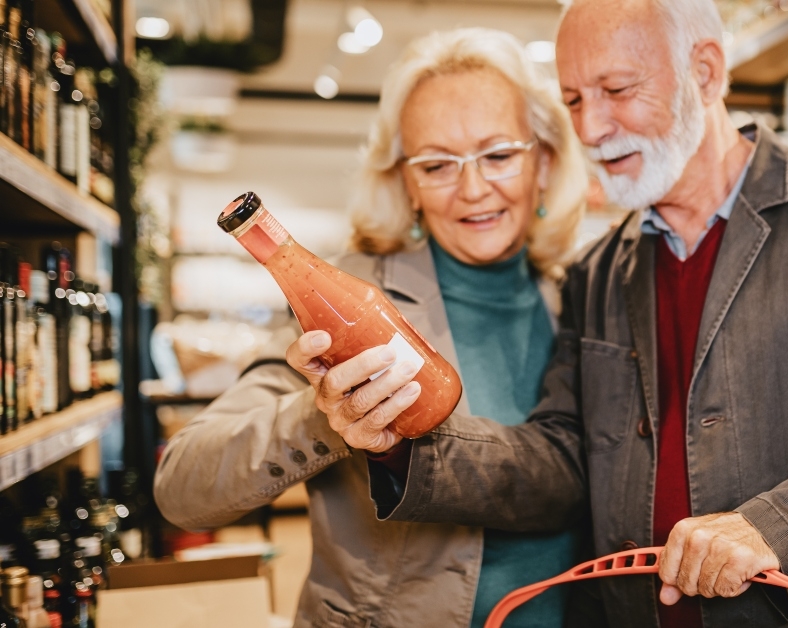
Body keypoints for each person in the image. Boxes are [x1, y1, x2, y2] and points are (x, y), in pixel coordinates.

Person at [291, 1, 788, 626]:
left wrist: (778, 528)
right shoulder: (600, 271)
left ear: (706, 71)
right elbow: (563, 460)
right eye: (576, 100)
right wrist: (401, 443)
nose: (590, 129)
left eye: (618, 90)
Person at [153, 28, 591, 628]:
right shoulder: (350, 298)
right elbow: (182, 487)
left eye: (499, 155)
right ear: (406, 181)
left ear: (543, 160)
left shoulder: (580, 299)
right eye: (437, 164)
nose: (472, 188)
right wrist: (323, 416)